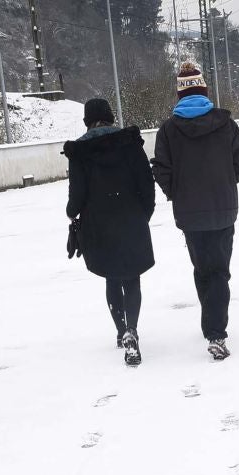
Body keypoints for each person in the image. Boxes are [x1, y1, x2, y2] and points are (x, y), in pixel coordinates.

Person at [150, 62, 239, 361]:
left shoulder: (169, 130)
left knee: (202, 268)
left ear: (180, 94)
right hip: (223, 208)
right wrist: (225, 183)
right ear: (204, 90)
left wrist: (177, 193)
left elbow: (160, 169)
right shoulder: (225, 124)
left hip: (189, 213)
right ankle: (216, 332)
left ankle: (211, 321)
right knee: (219, 270)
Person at [63, 98, 156, 367]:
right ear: (110, 117)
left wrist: (72, 213)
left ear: (87, 120)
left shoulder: (80, 151)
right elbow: (146, 184)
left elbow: (76, 194)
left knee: (111, 278)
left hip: (99, 225)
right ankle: (132, 330)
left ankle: (120, 330)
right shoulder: (129, 142)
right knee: (132, 278)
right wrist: (143, 214)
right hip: (131, 219)